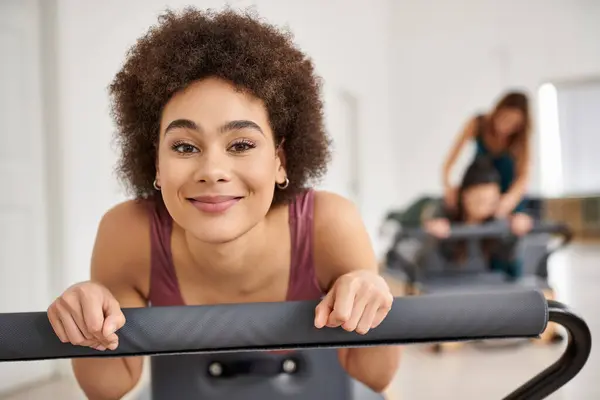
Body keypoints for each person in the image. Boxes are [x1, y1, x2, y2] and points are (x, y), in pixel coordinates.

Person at [45, 7, 401, 399]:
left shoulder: (328, 223)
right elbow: (109, 386)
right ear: (157, 165)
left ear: (280, 160)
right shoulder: (127, 232)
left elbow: (375, 377)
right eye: (184, 146)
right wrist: (87, 322)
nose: (212, 170)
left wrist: (372, 298)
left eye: (242, 145)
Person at [426, 156, 533, 280]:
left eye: (491, 202)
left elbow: (512, 270)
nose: (484, 208)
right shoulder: (443, 218)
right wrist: (433, 232)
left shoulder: (500, 226)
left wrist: (516, 232)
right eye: (479, 201)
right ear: (464, 195)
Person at [442, 91, 532, 218]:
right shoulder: (478, 123)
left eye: (514, 124)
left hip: (506, 193)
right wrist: (448, 187)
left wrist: (509, 201)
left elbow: (523, 178)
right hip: (479, 185)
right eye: (505, 118)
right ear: (497, 111)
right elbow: (449, 162)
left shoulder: (521, 141)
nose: (506, 127)